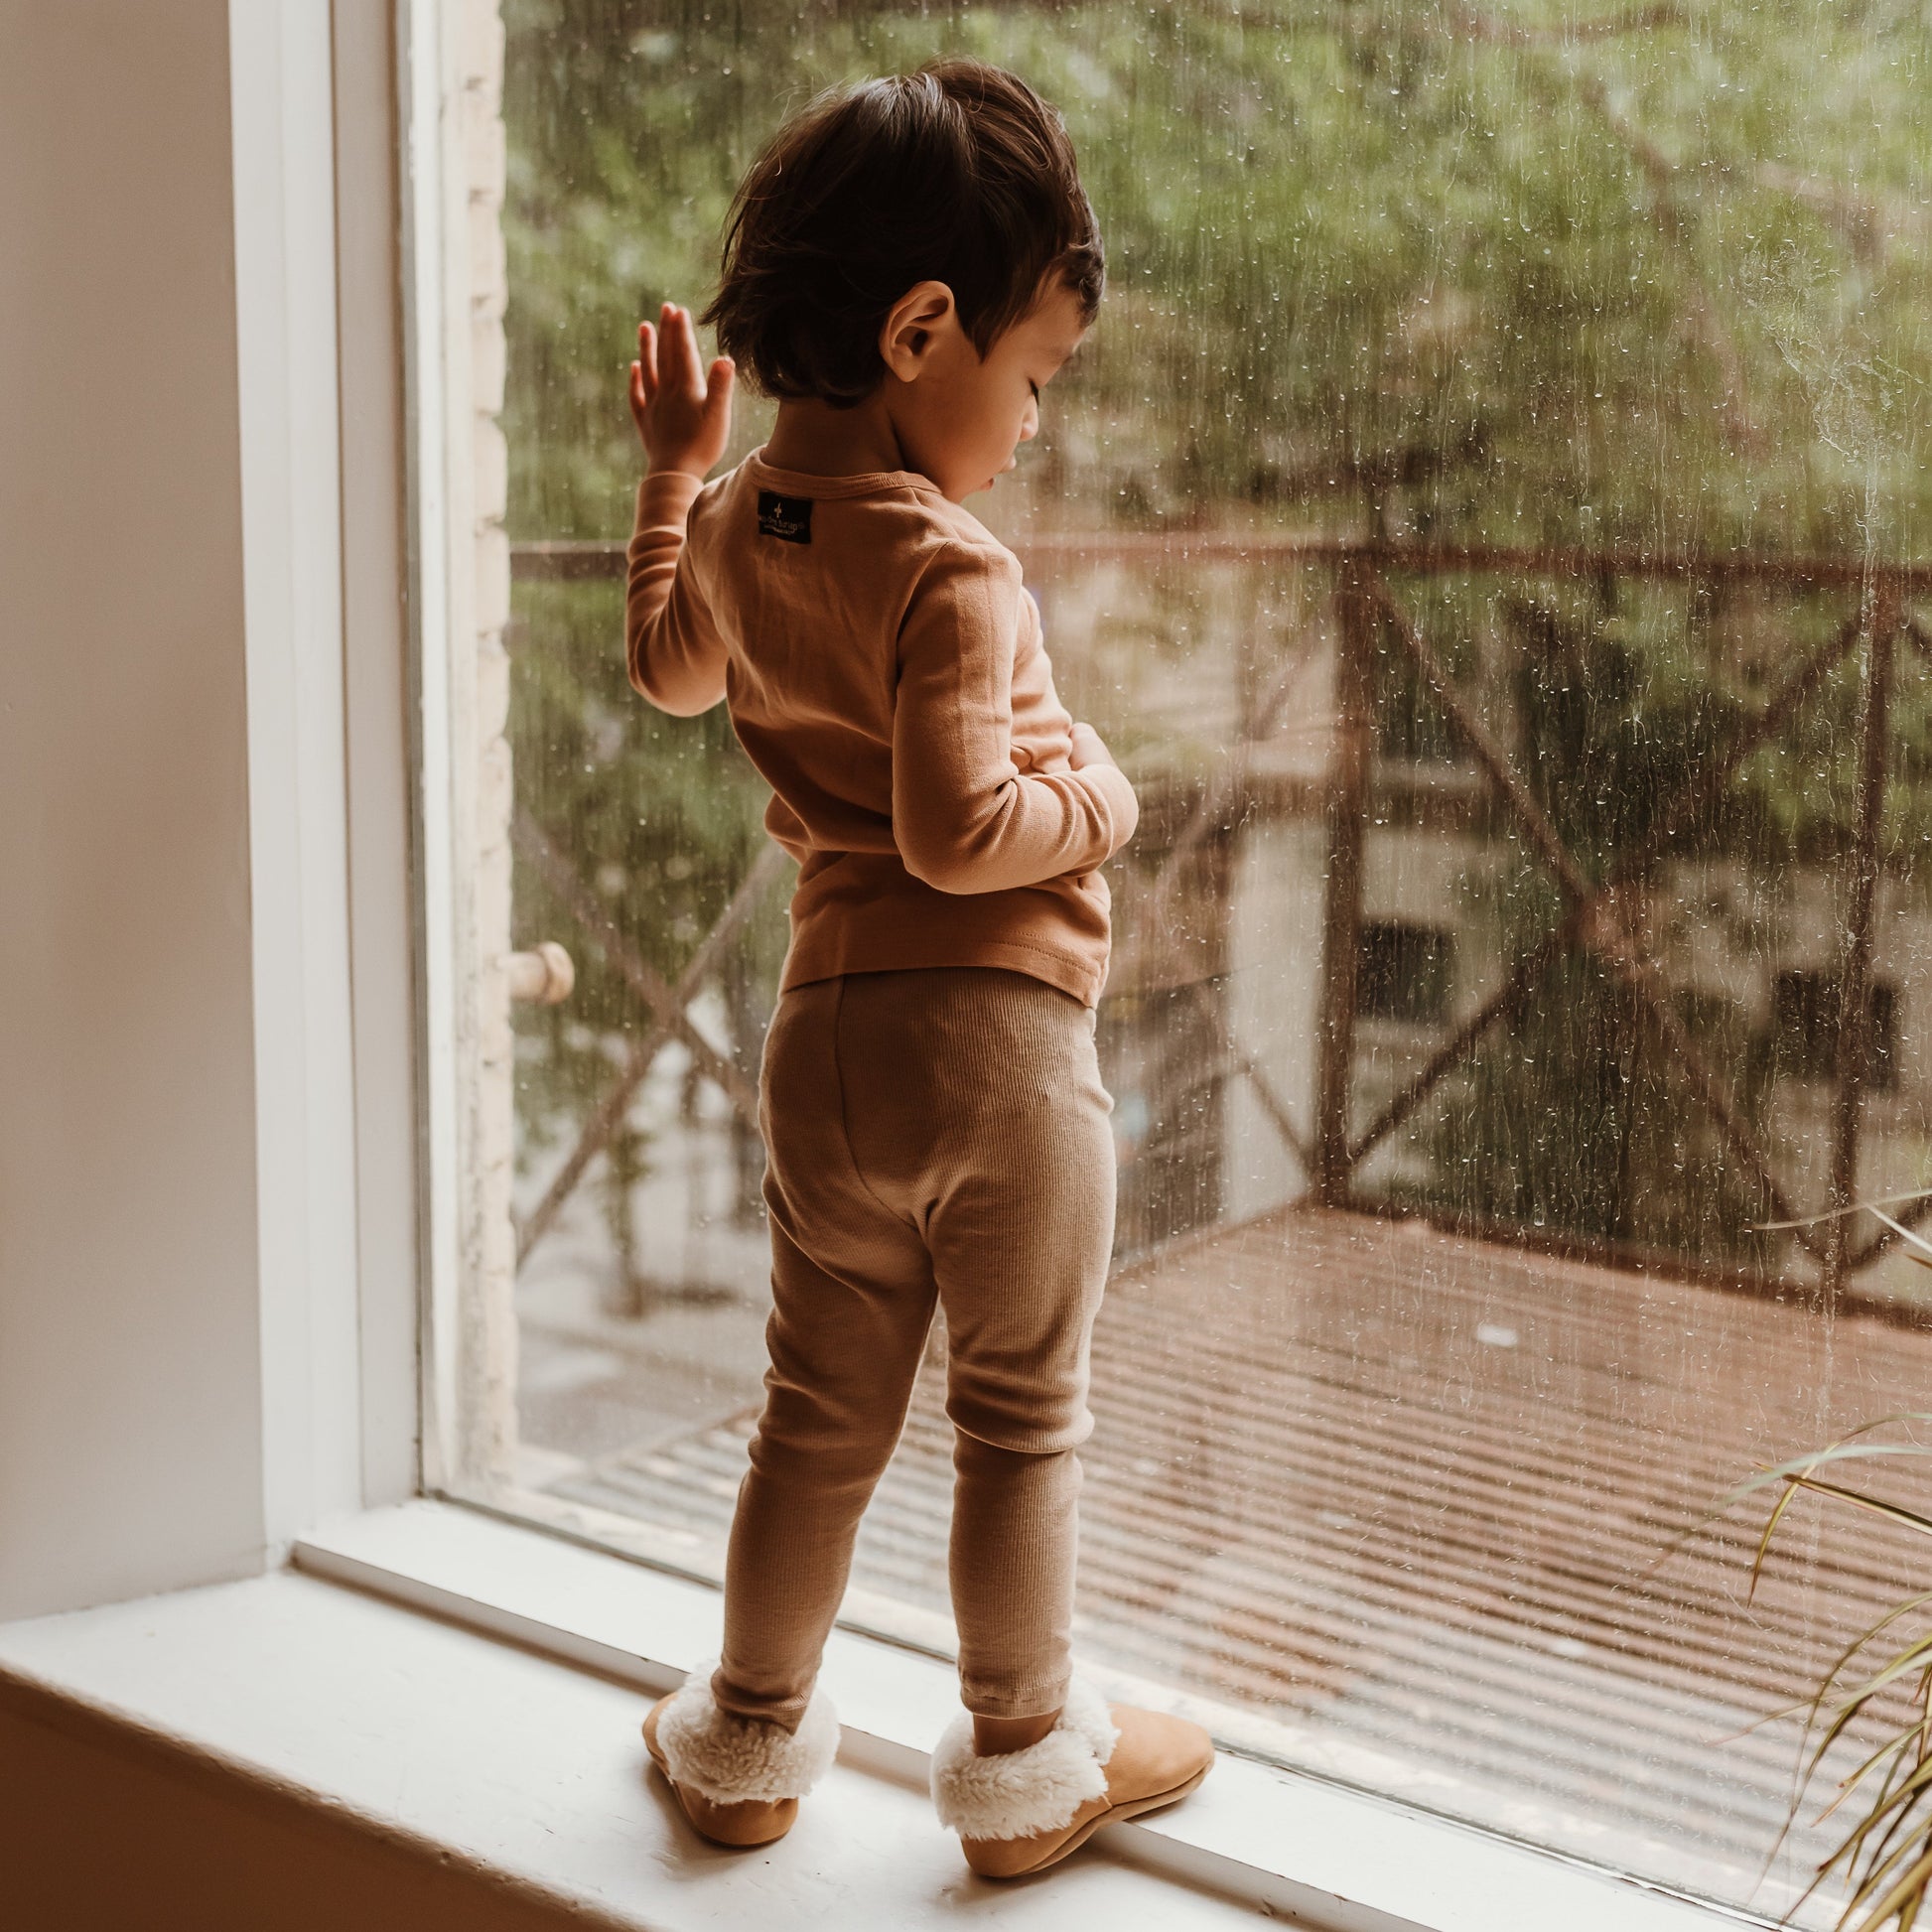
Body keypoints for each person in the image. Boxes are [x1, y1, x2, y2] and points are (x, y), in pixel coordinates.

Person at [621, 58, 1213, 1879]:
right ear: (919, 332)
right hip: (996, 1060)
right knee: (1017, 1424)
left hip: (822, 1049)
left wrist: (672, 477)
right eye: (1030, 377)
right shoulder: (952, 567)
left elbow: (667, 670)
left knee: (814, 1419)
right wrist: (1101, 795)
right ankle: (1029, 1759)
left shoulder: (740, 523)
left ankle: (742, 1739)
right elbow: (963, 835)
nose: (1028, 424)